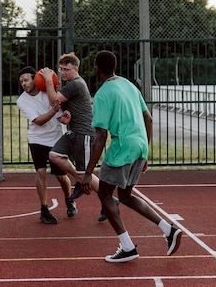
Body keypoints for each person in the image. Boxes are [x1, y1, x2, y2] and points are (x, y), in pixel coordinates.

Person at [81, 50, 182, 262]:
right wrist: (145, 152)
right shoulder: (128, 84)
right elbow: (149, 119)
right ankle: (168, 230)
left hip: (122, 147)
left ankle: (128, 247)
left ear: (96, 68)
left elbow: (100, 136)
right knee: (125, 196)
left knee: (105, 195)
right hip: (140, 145)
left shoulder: (102, 94)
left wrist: (88, 173)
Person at [40, 52, 101, 219]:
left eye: (66, 69)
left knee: (85, 174)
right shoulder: (70, 85)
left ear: (76, 69)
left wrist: (47, 80)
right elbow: (60, 108)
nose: (62, 72)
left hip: (84, 134)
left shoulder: (76, 84)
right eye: (60, 69)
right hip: (73, 132)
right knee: (54, 155)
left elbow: (54, 102)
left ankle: (109, 201)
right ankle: (80, 181)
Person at [16, 66, 73, 224]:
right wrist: (54, 111)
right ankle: (44, 209)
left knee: (61, 176)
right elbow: (38, 121)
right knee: (40, 172)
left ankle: (69, 200)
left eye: (26, 80)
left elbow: (60, 116)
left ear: (35, 79)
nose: (24, 84)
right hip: (37, 139)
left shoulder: (48, 92)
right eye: (21, 82)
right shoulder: (22, 100)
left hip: (56, 138)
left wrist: (64, 116)